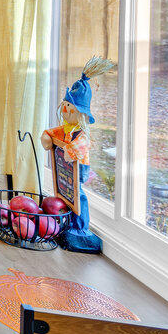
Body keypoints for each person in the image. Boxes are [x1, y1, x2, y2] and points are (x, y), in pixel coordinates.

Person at [40, 56, 113, 253]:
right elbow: (52, 133)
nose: (65, 110)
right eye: (65, 106)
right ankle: (69, 223)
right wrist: (47, 136)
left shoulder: (80, 133)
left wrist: (70, 151)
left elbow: (81, 145)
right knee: (66, 195)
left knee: (77, 196)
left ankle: (80, 228)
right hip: (66, 171)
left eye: (70, 108)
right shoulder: (65, 128)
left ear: (80, 112)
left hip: (79, 169)